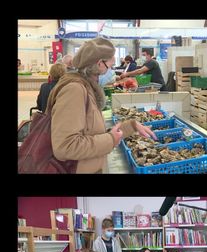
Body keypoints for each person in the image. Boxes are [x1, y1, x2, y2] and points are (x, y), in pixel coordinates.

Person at [47, 37, 157, 173]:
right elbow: (65, 147)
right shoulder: (74, 90)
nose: (111, 72)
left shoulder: (86, 87)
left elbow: (89, 133)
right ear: (99, 63)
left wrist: (131, 126)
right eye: (110, 66)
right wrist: (110, 139)